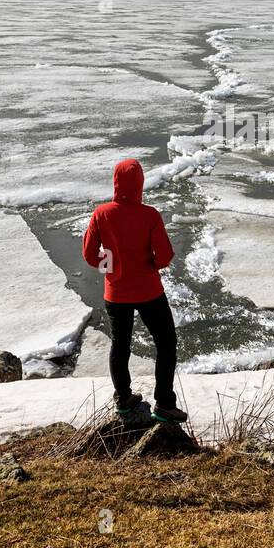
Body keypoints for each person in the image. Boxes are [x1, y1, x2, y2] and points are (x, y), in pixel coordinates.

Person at [81, 158, 188, 423]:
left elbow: (89, 255)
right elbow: (164, 256)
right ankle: (164, 403)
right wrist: (150, 264)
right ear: (140, 183)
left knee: (120, 345)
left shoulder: (101, 213)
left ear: (116, 183)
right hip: (149, 291)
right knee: (165, 343)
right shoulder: (149, 215)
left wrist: (108, 264)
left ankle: (124, 399)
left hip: (115, 293)